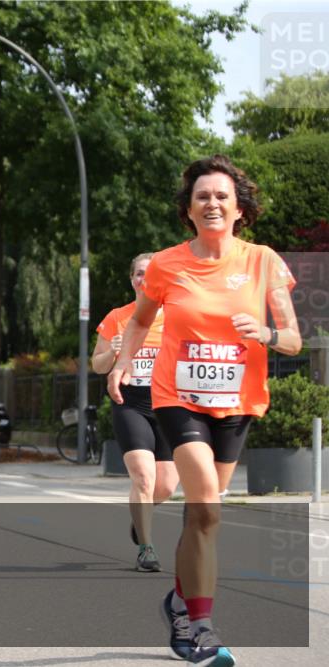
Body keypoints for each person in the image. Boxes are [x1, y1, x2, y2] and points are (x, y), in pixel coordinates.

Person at [108, 155, 300, 666]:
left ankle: (177, 602)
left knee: (201, 517)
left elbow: (295, 339)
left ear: (239, 209)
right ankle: (203, 627)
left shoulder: (263, 261)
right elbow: (138, 321)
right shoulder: (168, 264)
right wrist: (122, 365)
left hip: (236, 403)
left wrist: (268, 334)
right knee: (209, 508)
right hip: (179, 399)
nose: (212, 203)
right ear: (188, 210)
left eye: (221, 196)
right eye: (202, 197)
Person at [92, 253, 178, 573]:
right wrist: (112, 352)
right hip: (130, 402)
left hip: (168, 404)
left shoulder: (175, 316)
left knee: (167, 486)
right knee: (144, 475)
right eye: (140, 273)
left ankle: (139, 519)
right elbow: (98, 364)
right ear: (132, 280)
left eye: (151, 273)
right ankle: (146, 547)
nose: (145, 278)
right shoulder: (118, 317)